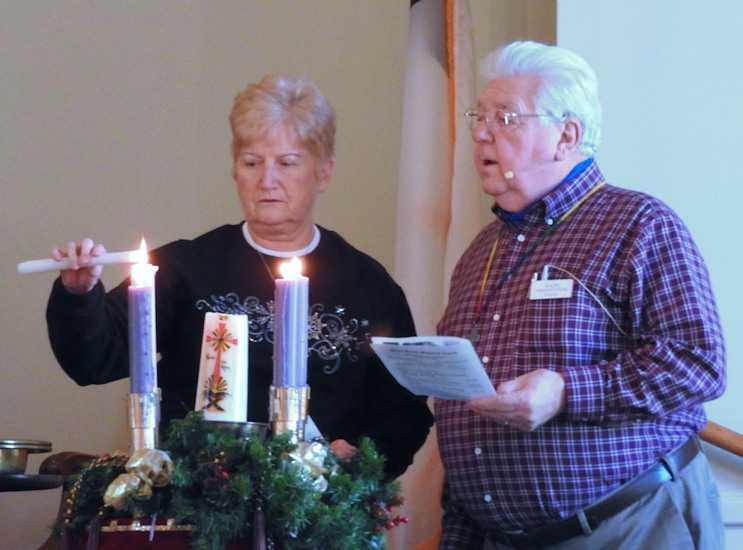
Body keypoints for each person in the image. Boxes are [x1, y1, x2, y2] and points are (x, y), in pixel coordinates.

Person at [45, 74, 432, 480]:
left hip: (322, 502)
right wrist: (79, 294)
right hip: (197, 494)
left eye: (287, 163)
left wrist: (359, 461)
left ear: (324, 173)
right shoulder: (184, 267)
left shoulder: (367, 283)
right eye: (252, 163)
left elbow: (404, 411)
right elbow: (93, 361)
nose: (267, 181)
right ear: (234, 168)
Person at [435, 41, 726, 549]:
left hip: (632, 526)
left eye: (505, 117)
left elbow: (698, 362)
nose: (480, 132)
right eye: (479, 116)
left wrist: (566, 391)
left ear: (565, 136)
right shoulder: (480, 252)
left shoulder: (639, 224)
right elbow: (461, 409)